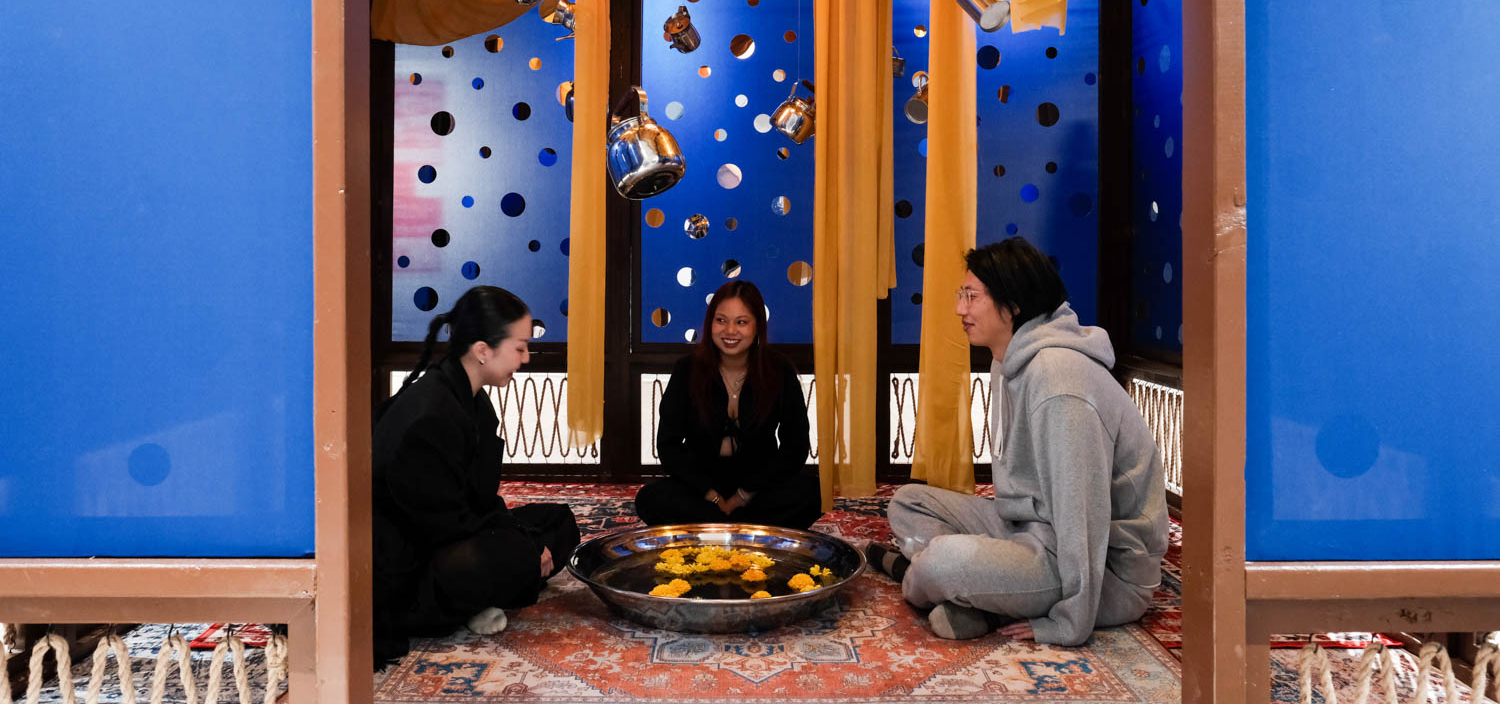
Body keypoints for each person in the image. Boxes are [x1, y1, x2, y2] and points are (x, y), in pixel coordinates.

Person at [867, 237, 1167, 646]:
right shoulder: (1006, 359)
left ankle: (923, 579)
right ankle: (981, 598)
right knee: (909, 502)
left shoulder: (1060, 382)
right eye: (961, 295)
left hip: (1102, 570)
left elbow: (1083, 516)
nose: (960, 309)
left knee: (942, 562)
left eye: (972, 297)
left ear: (1013, 305)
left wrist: (1066, 624)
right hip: (1030, 530)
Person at [372, 285, 579, 666]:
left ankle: (496, 587)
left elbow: (477, 500)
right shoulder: (430, 414)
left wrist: (527, 537)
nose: (527, 357)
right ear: (483, 350)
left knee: (559, 520)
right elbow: (444, 523)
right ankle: (474, 598)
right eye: (519, 347)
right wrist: (527, 547)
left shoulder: (469, 397)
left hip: (448, 534)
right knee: (516, 553)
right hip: (408, 570)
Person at [635, 280, 822, 529]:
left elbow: (795, 446)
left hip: (759, 483)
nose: (730, 331)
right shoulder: (686, 370)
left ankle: (716, 526)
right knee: (650, 499)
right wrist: (710, 494)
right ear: (710, 323)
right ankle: (744, 526)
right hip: (702, 484)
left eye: (741, 322)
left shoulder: (779, 370)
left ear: (757, 326)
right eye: (721, 320)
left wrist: (744, 495)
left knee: (813, 494)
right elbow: (668, 446)